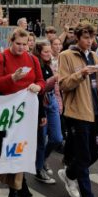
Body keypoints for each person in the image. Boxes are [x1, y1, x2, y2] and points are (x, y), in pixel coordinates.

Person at [57, 21, 98, 197]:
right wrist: (81, 74)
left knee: (94, 154)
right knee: (83, 156)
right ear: (78, 38)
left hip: (96, 114)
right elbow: (63, 84)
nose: (90, 41)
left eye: (92, 37)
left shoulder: (95, 55)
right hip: (78, 114)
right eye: (86, 37)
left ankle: (69, 174)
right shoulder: (66, 56)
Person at [0, 27, 44, 197]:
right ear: (11, 42)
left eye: (25, 44)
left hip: (25, 115)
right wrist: (13, 78)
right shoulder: (0, 58)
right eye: (18, 44)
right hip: (5, 114)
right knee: (2, 150)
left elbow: (41, 81)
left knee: (20, 151)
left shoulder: (33, 59)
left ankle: (14, 195)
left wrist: (38, 86)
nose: (21, 48)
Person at [33, 41, 63, 185]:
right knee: (41, 139)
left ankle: (42, 158)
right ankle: (39, 169)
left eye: (49, 51)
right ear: (38, 52)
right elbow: (40, 87)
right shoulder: (36, 65)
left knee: (57, 138)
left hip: (51, 100)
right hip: (41, 101)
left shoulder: (49, 65)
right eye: (45, 52)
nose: (48, 54)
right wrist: (53, 79)